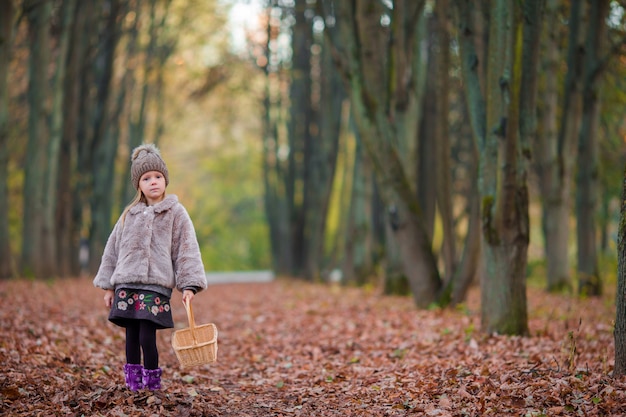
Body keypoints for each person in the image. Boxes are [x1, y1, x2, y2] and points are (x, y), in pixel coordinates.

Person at [93, 143, 208, 391]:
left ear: (165, 180)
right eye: (147, 178)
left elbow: (186, 249)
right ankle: (133, 384)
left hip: (155, 286)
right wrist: (108, 286)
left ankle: (152, 383)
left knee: (147, 335)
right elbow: (112, 250)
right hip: (126, 284)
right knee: (131, 336)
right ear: (139, 184)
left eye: (158, 177)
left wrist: (189, 285)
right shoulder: (129, 214)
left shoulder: (176, 213)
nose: (153, 182)